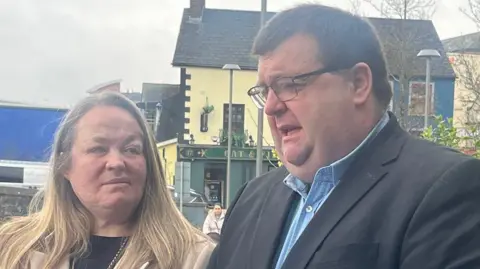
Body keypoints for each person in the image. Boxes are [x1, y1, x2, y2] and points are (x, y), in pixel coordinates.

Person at [207, 4, 480, 269]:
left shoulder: (447, 190)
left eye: (290, 84)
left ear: (358, 83)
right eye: (265, 91)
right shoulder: (250, 200)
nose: (271, 107)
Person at [0, 92, 214, 269]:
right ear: (65, 165)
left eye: (131, 149)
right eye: (98, 149)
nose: (116, 162)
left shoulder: (195, 258)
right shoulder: (14, 248)